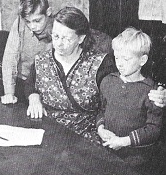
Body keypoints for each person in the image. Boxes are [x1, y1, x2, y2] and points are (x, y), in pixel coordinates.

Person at [25, 7, 116, 142]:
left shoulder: (99, 64)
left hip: (86, 137)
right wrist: (33, 98)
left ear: (81, 39)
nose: (59, 44)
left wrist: (101, 126)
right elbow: (29, 85)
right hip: (49, 134)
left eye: (66, 38)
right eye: (56, 36)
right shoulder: (41, 61)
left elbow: (112, 102)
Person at [96, 27, 162, 163]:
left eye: (126, 59)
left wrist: (124, 141)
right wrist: (101, 128)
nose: (119, 63)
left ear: (142, 60)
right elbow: (101, 110)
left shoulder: (152, 92)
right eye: (117, 57)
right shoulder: (108, 81)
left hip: (137, 155)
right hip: (107, 148)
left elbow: (154, 129)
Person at [1, 0, 53, 104]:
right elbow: (10, 58)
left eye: (37, 20)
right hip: (23, 83)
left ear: (48, 12)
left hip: (49, 85)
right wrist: (9, 93)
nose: (32, 26)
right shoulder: (20, 23)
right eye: (28, 22)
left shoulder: (58, 27)